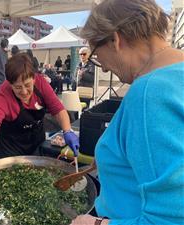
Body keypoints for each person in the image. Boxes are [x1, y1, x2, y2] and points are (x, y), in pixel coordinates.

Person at [70, 0, 184, 225]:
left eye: (96, 53)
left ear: (115, 39)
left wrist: (94, 224)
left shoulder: (150, 93)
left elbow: (170, 219)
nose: (101, 67)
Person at [0, 53, 79, 196]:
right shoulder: (4, 96)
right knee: (12, 193)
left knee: (39, 191)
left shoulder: (41, 83)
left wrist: (67, 131)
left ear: (34, 78)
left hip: (36, 145)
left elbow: (58, 109)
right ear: (10, 84)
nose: (24, 92)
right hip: (10, 152)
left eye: (28, 85)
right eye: (17, 88)